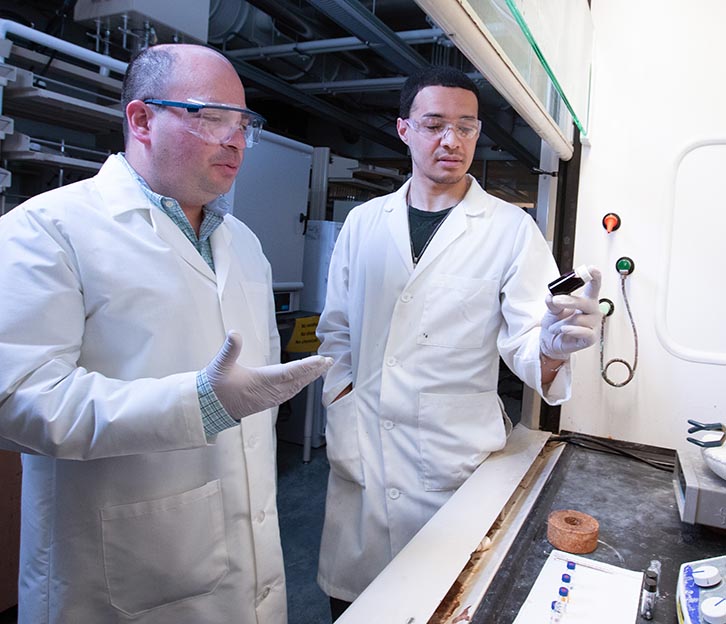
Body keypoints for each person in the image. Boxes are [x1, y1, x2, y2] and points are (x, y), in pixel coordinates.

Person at [0, 44, 331, 624]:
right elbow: (16, 400)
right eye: (212, 117)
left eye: (244, 123)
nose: (235, 139)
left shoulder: (244, 244)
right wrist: (197, 404)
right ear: (142, 119)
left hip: (249, 561)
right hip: (119, 575)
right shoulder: (46, 229)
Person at [315, 66, 601, 619]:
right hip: (363, 454)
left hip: (451, 467)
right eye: (434, 124)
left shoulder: (508, 230)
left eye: (466, 128)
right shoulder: (363, 223)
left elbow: (528, 338)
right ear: (404, 130)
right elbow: (336, 330)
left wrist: (552, 346)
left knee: (445, 602)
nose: (451, 140)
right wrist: (342, 399)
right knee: (352, 605)